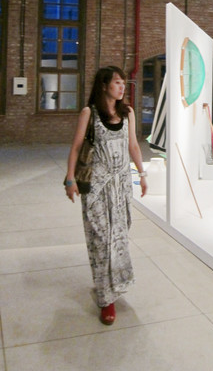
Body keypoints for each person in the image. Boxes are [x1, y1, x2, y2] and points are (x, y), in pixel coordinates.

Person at [64, 65, 147, 326]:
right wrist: (70, 179)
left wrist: (142, 174)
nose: (122, 87)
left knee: (119, 238)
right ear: (104, 86)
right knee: (101, 240)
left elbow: (133, 146)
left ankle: (115, 284)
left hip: (121, 186)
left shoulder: (128, 113)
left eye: (123, 83)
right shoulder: (89, 113)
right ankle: (105, 298)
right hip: (97, 187)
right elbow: (76, 147)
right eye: (117, 82)